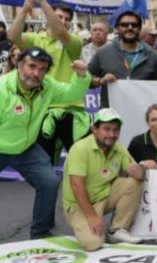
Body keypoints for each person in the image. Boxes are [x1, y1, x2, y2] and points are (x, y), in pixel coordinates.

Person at [0, 50, 90, 238]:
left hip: (26, 148)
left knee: (49, 182)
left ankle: (40, 234)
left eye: (42, 69)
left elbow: (72, 93)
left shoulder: (47, 86)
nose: (36, 73)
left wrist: (81, 75)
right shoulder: (2, 89)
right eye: (31, 66)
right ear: (19, 64)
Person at [10, 0, 85, 163]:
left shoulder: (73, 42)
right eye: (59, 17)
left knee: (80, 164)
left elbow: (59, 32)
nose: (63, 21)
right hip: (42, 111)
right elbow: (13, 35)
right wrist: (25, 6)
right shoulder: (36, 40)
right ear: (47, 16)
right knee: (44, 168)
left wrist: (42, 2)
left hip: (69, 111)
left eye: (67, 19)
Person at [62, 108, 154, 250]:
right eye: (106, 129)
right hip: (79, 204)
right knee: (92, 244)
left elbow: (138, 175)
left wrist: (142, 167)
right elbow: (76, 185)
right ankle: (85, 224)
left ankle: (117, 230)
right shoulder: (80, 148)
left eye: (116, 130)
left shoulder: (118, 148)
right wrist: (92, 216)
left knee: (134, 182)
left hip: (104, 195)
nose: (111, 134)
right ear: (94, 129)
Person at [88, 11, 157, 107]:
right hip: (111, 115)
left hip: (143, 113)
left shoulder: (152, 55)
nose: (130, 28)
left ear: (139, 29)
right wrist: (101, 81)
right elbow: (86, 79)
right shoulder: (103, 53)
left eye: (134, 25)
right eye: (124, 25)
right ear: (117, 28)